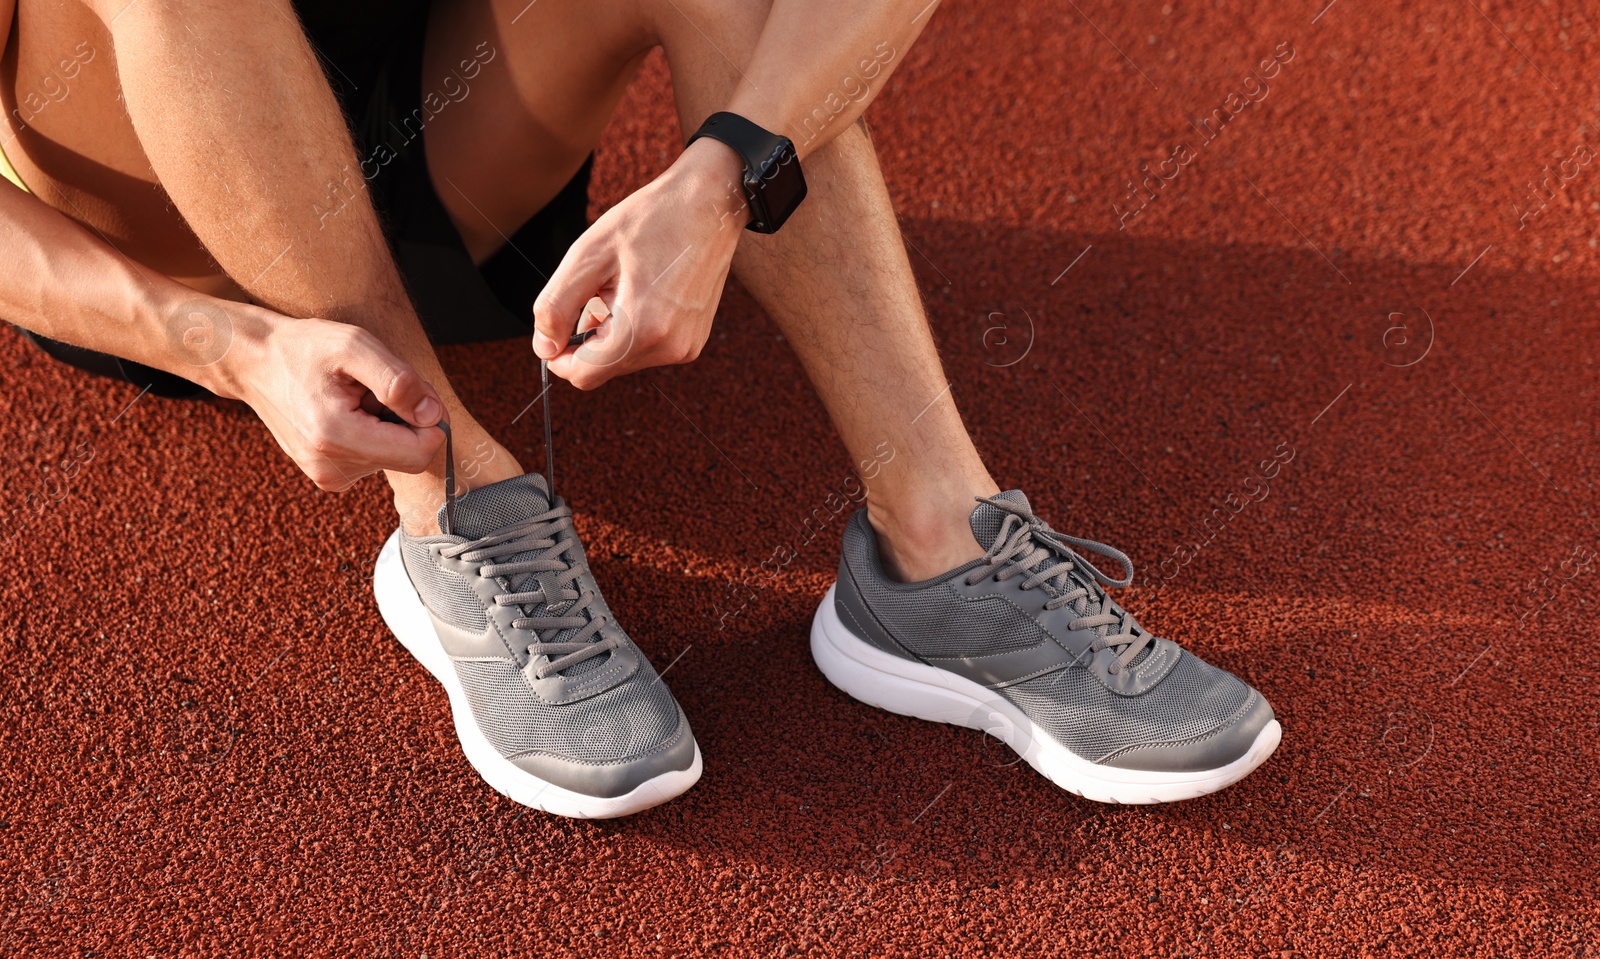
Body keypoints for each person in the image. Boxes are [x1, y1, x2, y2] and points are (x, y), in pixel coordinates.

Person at [0, 0, 1279, 818]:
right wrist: (214, 342)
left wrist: (729, 172)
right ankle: (451, 492)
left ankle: (938, 542)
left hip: (448, 162)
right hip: (175, 251)